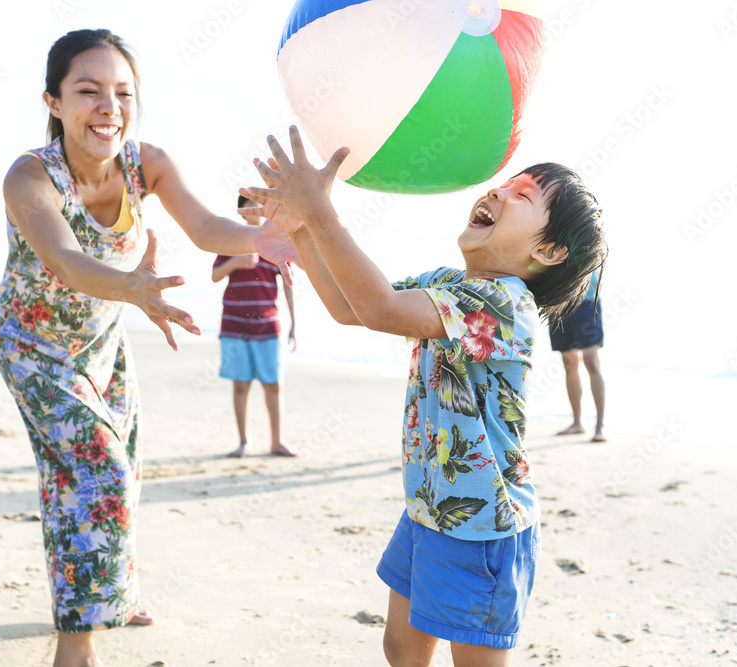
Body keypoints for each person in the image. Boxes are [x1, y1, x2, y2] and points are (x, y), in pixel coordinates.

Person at [0, 30, 297, 667]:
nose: (109, 107)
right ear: (53, 101)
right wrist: (136, 288)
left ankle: (114, 595)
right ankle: (76, 644)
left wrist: (266, 241)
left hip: (102, 339)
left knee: (122, 472)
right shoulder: (29, 177)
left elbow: (209, 226)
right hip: (32, 344)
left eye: (123, 93)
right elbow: (65, 262)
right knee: (91, 469)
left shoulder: (145, 164)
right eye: (88, 91)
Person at [241, 127, 607, 666]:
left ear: (549, 251)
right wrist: (301, 233)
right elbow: (354, 305)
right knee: (401, 650)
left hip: (484, 526)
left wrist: (321, 214)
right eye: (503, 184)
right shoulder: (447, 284)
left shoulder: (506, 306)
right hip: (427, 508)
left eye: (521, 196)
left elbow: (381, 307)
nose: (497, 192)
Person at [212, 195, 298, 458]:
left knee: (273, 384)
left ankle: (277, 441)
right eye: (248, 205)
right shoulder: (231, 240)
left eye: (258, 204)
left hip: (269, 326)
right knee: (240, 384)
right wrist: (236, 262)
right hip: (234, 325)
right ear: (241, 211)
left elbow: (288, 285)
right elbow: (215, 275)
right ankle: (243, 441)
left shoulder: (274, 241)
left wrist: (294, 324)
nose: (254, 209)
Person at [550, 268, 606, 442]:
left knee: (591, 361)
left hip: (587, 302)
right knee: (569, 363)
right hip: (558, 304)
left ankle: (600, 425)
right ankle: (577, 422)